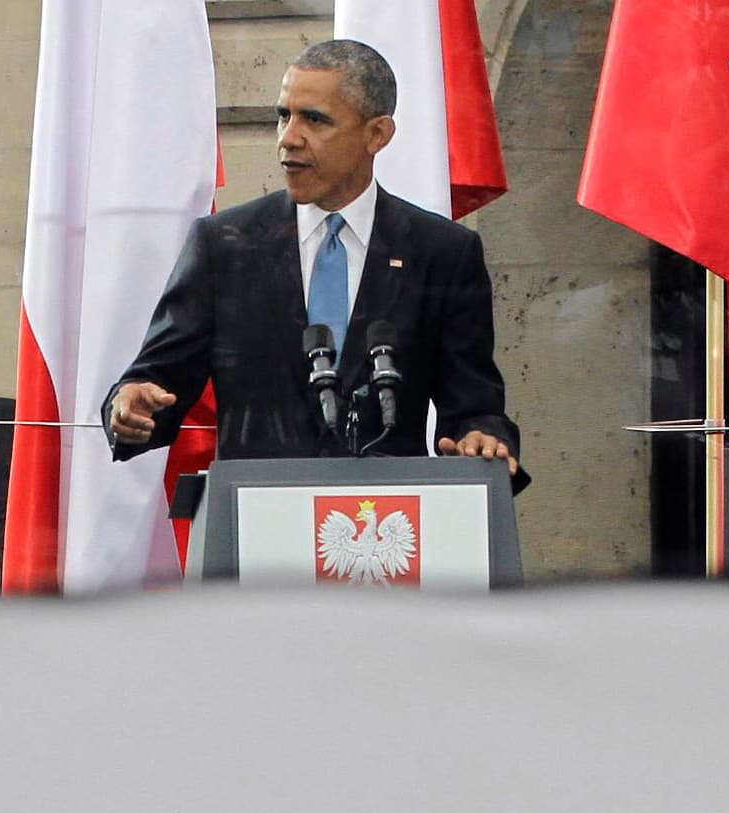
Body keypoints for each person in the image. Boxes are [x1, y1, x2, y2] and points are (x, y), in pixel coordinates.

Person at [103, 39, 523, 483]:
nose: (288, 138)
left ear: (376, 134)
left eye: (314, 120)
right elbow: (157, 380)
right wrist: (131, 404)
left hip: (385, 527)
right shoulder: (223, 244)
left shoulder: (442, 251)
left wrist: (481, 437)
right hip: (254, 521)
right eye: (284, 115)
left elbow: (474, 403)